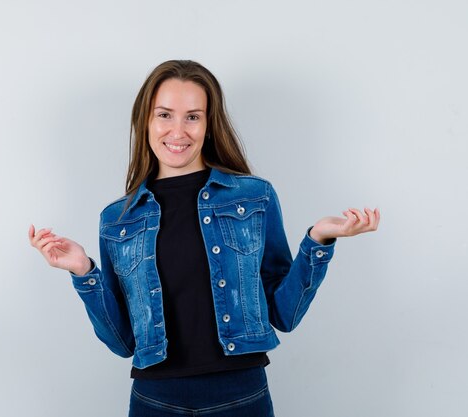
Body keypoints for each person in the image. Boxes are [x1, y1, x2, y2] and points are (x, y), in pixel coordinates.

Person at [28, 60, 380, 417]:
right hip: (154, 401)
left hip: (241, 397)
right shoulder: (119, 219)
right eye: (164, 114)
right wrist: (83, 271)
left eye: (193, 117)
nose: (178, 131)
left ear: (209, 125)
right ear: (145, 121)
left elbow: (284, 314)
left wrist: (318, 242)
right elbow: (122, 341)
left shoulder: (253, 197)